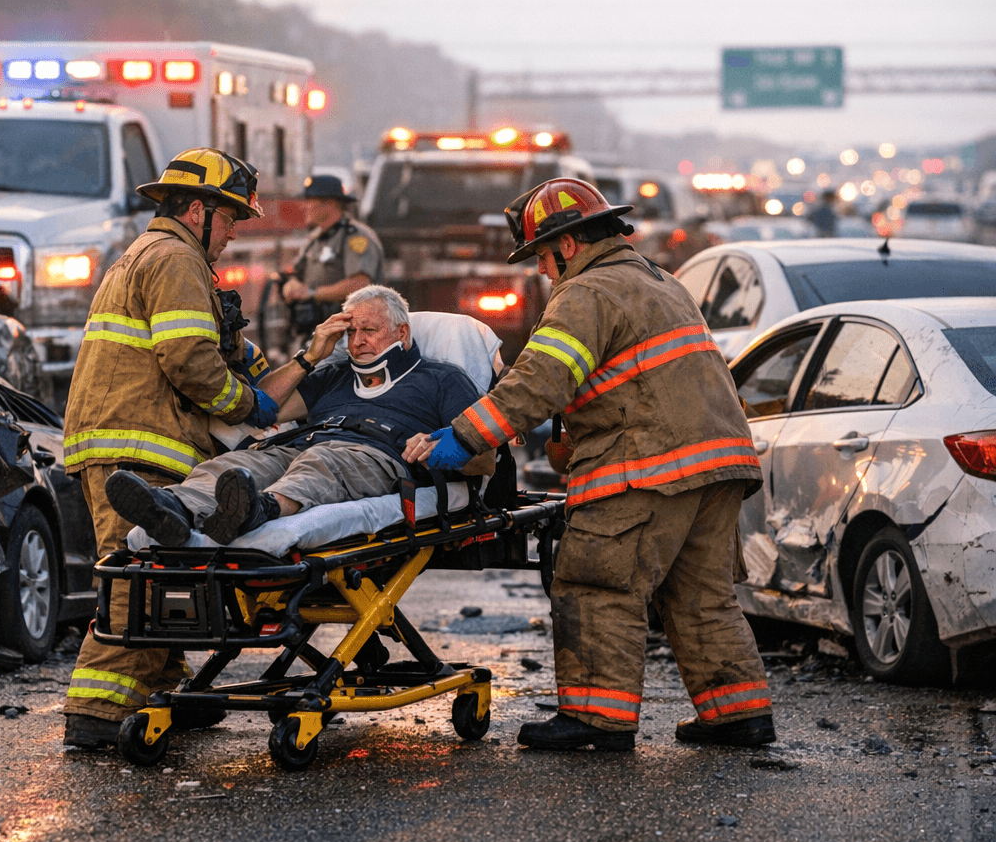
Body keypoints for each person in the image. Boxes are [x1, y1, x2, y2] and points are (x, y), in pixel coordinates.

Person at [405, 177, 773, 751]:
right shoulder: (659, 280)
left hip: (649, 468)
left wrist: (464, 437)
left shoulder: (587, 292)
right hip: (718, 466)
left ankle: (598, 719)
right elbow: (631, 380)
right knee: (699, 595)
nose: (543, 271)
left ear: (568, 244)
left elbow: (539, 381)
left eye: (542, 257)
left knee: (596, 583)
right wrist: (572, 435)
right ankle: (738, 714)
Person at [61, 148, 280, 749]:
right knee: (137, 578)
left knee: (162, 573)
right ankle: (96, 711)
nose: (234, 233)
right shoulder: (176, 259)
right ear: (197, 210)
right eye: (230, 218)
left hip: (122, 437)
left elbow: (214, 346)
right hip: (138, 444)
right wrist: (247, 404)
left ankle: (164, 690)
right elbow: (190, 361)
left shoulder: (152, 254)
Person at [107, 285, 480, 545]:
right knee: (237, 464)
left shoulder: (442, 378)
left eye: (369, 330)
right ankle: (171, 510)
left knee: (324, 463)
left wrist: (439, 445)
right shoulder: (333, 374)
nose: (357, 342)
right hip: (300, 445)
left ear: (403, 333)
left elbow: (485, 457)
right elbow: (263, 406)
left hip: (376, 455)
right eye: (350, 332)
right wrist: (312, 356)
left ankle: (262, 509)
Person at [279, 173, 384, 339]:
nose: (305, 206)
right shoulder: (314, 239)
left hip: (352, 334)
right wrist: (291, 285)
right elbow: (296, 273)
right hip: (318, 333)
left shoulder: (355, 237)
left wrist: (312, 293)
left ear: (330, 203)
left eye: (310, 200)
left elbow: (359, 285)